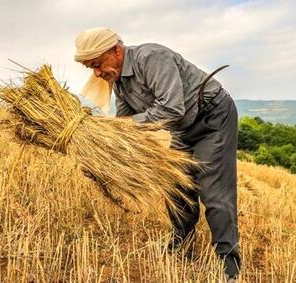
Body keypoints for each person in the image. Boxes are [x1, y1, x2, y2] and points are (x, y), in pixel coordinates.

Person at [74, 27, 241, 280]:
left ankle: (228, 266)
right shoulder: (120, 82)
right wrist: (100, 151)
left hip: (211, 117)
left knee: (214, 192)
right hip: (181, 127)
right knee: (177, 188)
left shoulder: (151, 58)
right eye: (91, 68)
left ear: (116, 51)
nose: (97, 73)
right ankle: (180, 246)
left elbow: (171, 108)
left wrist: (124, 125)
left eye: (97, 64)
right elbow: (126, 126)